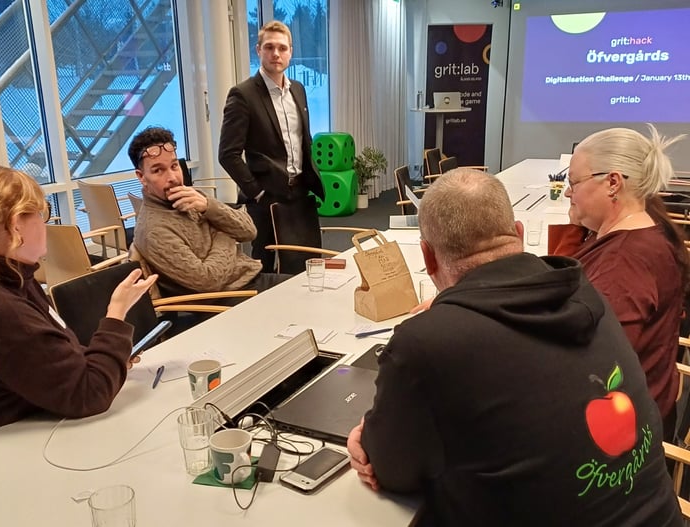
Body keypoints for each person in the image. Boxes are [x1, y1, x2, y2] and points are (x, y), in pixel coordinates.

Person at [347, 169, 682, 526]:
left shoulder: (427, 343)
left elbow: (394, 470)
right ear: (519, 234)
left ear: (428, 257)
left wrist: (368, 437)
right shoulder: (587, 294)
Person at [0, 164, 157, 436]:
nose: (45, 223)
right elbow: (89, 393)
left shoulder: (15, 279)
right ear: (16, 225)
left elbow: (56, 356)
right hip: (11, 446)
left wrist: (107, 359)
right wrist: (117, 311)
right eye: (40, 213)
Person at [561, 125, 689, 442]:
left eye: (573, 183)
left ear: (613, 183)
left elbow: (592, 367)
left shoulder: (624, 264)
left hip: (621, 442)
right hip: (643, 413)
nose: (567, 193)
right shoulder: (646, 232)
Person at [127, 127, 289, 302]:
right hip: (226, 299)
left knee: (309, 287)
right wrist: (225, 233)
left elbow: (249, 231)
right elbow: (208, 281)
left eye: (174, 166)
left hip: (249, 279)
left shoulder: (192, 198)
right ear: (141, 177)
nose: (172, 177)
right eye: (158, 170)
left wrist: (208, 206)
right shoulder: (153, 230)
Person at [218, 20, 325, 273]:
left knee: (304, 263)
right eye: (269, 47)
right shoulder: (243, 95)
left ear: (291, 52)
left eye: (282, 48)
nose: (276, 53)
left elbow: (303, 140)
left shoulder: (298, 90)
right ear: (258, 50)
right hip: (266, 197)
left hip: (299, 193)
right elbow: (228, 154)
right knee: (264, 267)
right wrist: (256, 192)